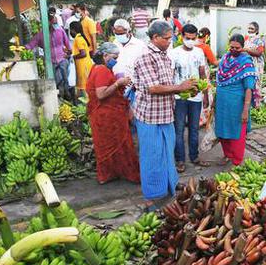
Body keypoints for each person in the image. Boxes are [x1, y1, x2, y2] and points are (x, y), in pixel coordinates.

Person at [131, 21, 194, 210]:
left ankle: (170, 186)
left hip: (166, 114)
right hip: (150, 117)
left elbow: (167, 84)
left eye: (171, 37)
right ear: (155, 37)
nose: (170, 41)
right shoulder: (145, 57)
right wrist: (179, 87)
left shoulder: (166, 56)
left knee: (167, 152)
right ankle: (151, 197)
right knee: (152, 156)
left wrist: (184, 91)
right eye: (167, 38)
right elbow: (153, 88)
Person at [86, 42, 140, 185]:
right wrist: (118, 83)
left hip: (106, 114)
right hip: (106, 116)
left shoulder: (97, 68)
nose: (116, 60)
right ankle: (125, 173)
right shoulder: (101, 70)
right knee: (118, 144)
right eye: (114, 57)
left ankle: (110, 174)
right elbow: (101, 94)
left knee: (111, 145)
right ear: (105, 55)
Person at [170, 24, 210, 172]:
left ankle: (194, 156)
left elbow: (202, 74)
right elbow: (171, 75)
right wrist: (172, 95)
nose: (190, 41)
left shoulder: (199, 52)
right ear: (182, 36)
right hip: (179, 96)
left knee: (194, 128)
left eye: (193, 38)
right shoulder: (174, 53)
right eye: (188, 38)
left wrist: (205, 94)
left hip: (196, 96)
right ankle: (180, 159)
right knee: (179, 130)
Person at [215, 34, 257, 166]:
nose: (233, 49)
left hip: (237, 104)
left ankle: (237, 160)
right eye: (231, 47)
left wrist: (245, 109)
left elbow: (249, 88)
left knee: (237, 132)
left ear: (242, 47)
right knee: (222, 130)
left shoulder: (246, 62)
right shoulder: (225, 58)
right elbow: (219, 79)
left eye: (237, 48)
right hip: (222, 103)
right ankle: (227, 155)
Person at [26, 14, 72, 100]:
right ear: (48, 23)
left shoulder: (60, 30)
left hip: (62, 58)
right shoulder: (41, 34)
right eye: (54, 23)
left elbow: (67, 43)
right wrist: (23, 49)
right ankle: (56, 97)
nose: (55, 25)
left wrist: (69, 52)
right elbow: (31, 44)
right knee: (54, 80)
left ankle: (67, 94)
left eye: (56, 22)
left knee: (65, 78)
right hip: (50, 61)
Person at [69, 21, 93, 96]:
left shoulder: (78, 39)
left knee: (84, 88)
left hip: (83, 67)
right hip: (83, 66)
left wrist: (73, 56)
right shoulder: (79, 38)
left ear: (73, 30)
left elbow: (83, 53)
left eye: (70, 30)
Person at [244, 22, 265, 106]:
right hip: (247, 63)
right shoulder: (246, 39)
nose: (250, 30)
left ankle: (256, 104)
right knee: (248, 82)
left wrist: (247, 50)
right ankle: (248, 102)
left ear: (256, 30)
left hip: (257, 64)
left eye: (252, 29)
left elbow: (259, 53)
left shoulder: (259, 41)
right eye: (249, 28)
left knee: (256, 82)